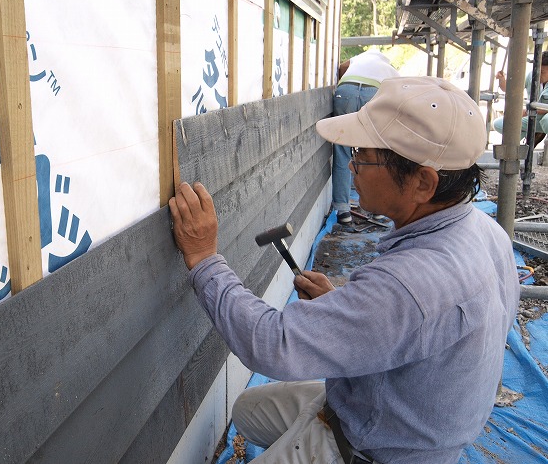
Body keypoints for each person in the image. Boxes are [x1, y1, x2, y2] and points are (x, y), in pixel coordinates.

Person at [169, 76, 520, 464]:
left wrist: (204, 259)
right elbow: (424, 327)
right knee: (248, 410)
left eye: (364, 156)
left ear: (423, 182)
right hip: (386, 408)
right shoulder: (486, 231)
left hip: (377, 449)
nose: (352, 165)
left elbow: (272, 344)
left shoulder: (409, 285)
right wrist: (348, 310)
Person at [332, 50, 399, 224]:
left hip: (345, 91)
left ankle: (342, 211)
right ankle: (377, 210)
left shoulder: (357, 60)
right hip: (373, 94)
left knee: (342, 150)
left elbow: (342, 68)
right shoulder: (388, 67)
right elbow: (398, 91)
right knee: (376, 153)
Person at [493, 50, 548, 143]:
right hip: (533, 118)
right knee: (499, 124)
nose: (538, 74)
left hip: (542, 118)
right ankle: (515, 150)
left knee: (546, 120)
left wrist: (528, 111)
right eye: (536, 70)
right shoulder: (531, 75)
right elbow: (511, 89)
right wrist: (501, 80)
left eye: (542, 72)